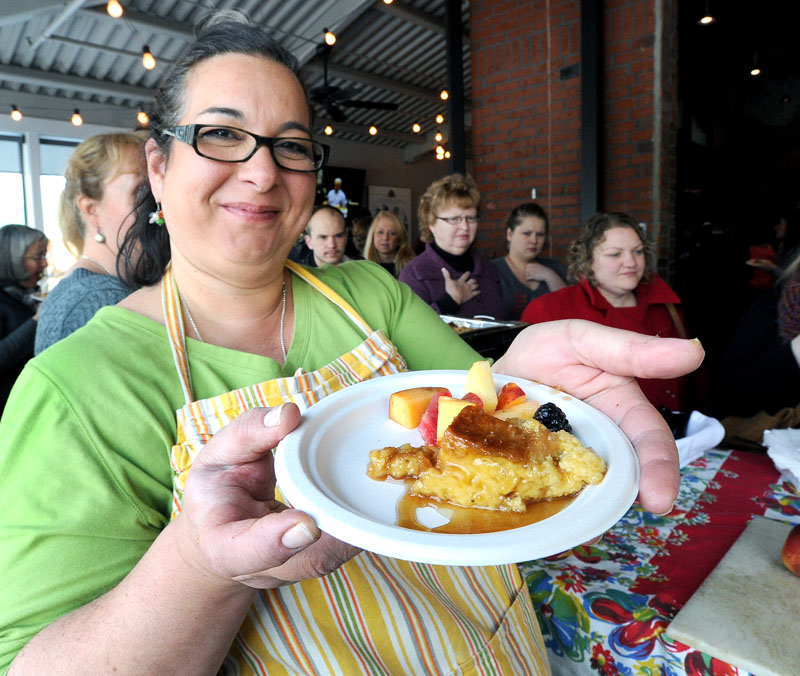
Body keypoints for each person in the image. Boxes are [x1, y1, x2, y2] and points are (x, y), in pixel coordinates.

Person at [0, 16, 704, 676]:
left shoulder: (370, 292)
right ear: (159, 167)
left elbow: (476, 399)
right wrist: (203, 564)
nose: (262, 170)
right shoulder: (77, 384)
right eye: (221, 134)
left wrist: (525, 386)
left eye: (292, 145)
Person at [521, 211, 689, 412]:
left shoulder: (665, 308)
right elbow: (526, 394)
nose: (631, 262)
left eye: (638, 251)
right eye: (615, 254)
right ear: (588, 260)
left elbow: (694, 381)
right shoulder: (549, 311)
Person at [34, 132, 148, 354]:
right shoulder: (103, 299)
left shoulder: (85, 288)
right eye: (141, 191)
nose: (157, 205)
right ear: (91, 210)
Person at [398, 173, 507, 319]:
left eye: (471, 218)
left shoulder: (489, 270)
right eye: (454, 219)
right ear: (431, 223)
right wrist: (449, 302)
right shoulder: (415, 274)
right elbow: (408, 330)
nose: (465, 226)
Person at [0, 224, 48, 414]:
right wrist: (36, 321)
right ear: (12, 259)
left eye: (45, 255)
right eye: (38, 256)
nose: (45, 263)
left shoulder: (25, 295)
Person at [492, 202, 568, 319]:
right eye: (527, 233)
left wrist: (550, 276)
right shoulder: (492, 271)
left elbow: (571, 309)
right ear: (509, 234)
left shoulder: (556, 268)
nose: (534, 240)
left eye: (540, 234)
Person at [362, 209, 415, 277]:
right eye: (380, 232)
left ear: (399, 238)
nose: (385, 238)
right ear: (372, 236)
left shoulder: (411, 267)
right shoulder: (362, 266)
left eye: (392, 233)